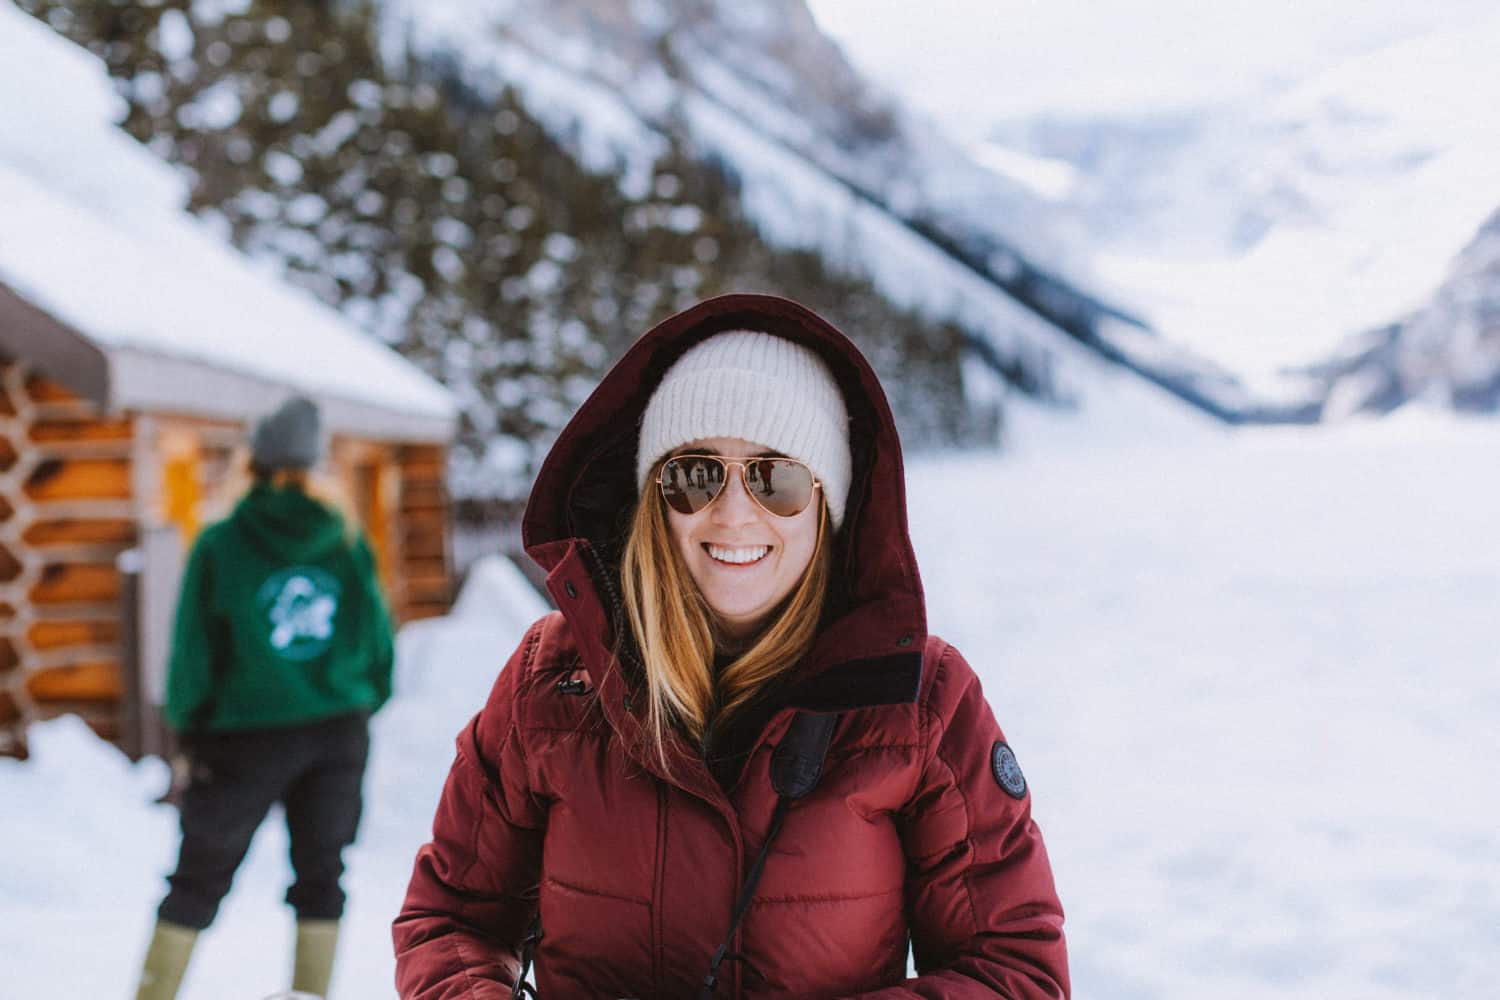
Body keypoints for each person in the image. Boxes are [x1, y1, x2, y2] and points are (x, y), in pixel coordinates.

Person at [394, 294, 1068, 997]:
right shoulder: (551, 683)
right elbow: (448, 921)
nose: (734, 512)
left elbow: (1015, 970)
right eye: (695, 473)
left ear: (827, 505)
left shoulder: (922, 703)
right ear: (656, 497)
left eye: (775, 478)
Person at [135, 395, 395, 1000]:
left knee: (198, 876)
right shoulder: (346, 539)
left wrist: (190, 726)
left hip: (242, 738)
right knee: (322, 875)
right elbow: (379, 646)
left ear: (252, 464)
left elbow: (193, 653)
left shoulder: (221, 542)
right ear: (313, 466)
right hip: (338, 732)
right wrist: (356, 699)